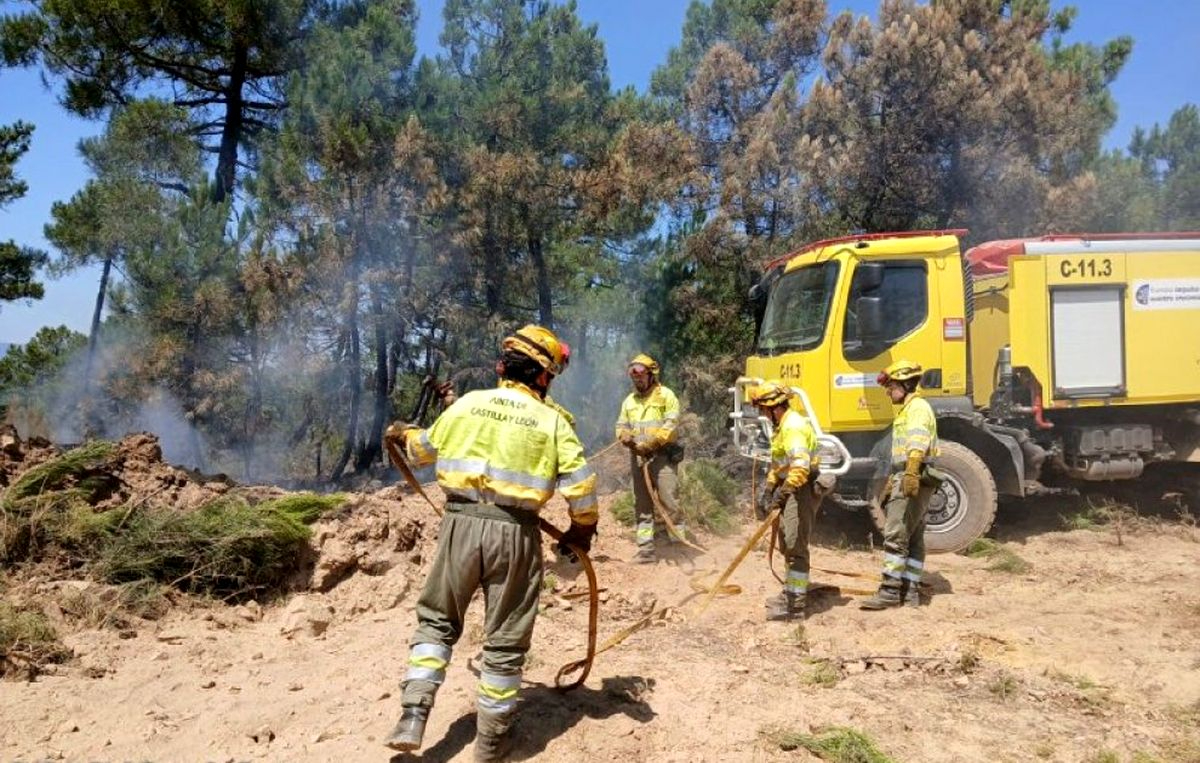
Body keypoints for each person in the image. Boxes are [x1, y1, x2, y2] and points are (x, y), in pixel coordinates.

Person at [384, 325, 598, 761]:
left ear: (502, 366)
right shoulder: (553, 421)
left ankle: (412, 716)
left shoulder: (466, 404)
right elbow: (584, 494)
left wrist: (403, 432)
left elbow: (421, 451)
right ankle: (490, 744)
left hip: (459, 526)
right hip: (517, 534)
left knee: (437, 621)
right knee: (505, 639)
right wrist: (579, 535)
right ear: (543, 376)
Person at [861, 360, 939, 610]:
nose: (887, 391)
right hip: (908, 475)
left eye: (891, 386)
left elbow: (917, 442)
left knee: (895, 533)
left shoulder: (917, 408)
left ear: (906, 384)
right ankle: (910, 590)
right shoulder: (909, 409)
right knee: (914, 536)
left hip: (911, 475)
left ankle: (890, 591)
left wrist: (910, 474)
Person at [750, 381, 828, 621]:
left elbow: (800, 467)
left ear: (774, 408)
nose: (763, 414)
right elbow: (780, 464)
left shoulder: (793, 426)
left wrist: (783, 493)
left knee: (795, 544)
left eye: (764, 409)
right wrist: (770, 486)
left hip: (800, 488)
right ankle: (790, 593)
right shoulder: (781, 426)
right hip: (791, 487)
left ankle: (795, 606)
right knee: (786, 540)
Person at [615, 353, 685, 564]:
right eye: (634, 377)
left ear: (651, 375)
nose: (637, 380)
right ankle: (646, 550)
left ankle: (679, 546)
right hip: (638, 459)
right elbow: (620, 425)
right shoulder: (629, 401)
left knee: (670, 500)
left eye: (641, 376)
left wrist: (654, 443)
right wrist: (624, 436)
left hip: (661, 458)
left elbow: (672, 423)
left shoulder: (666, 396)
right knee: (642, 504)